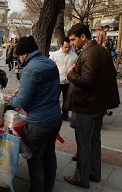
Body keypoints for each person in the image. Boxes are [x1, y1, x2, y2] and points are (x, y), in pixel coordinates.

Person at [63, 23, 120, 188]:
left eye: (73, 40)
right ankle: (94, 173)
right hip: (98, 105)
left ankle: (81, 177)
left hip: (87, 106)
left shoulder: (89, 53)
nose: (72, 43)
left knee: (84, 143)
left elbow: (86, 81)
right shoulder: (101, 50)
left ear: (83, 37)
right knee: (94, 141)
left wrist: (71, 73)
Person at [4, 36, 62, 192]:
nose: (19, 60)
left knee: (35, 160)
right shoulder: (50, 63)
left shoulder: (29, 70)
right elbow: (45, 89)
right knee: (49, 154)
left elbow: (22, 103)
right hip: (55, 117)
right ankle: (48, 188)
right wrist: (22, 91)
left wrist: (11, 99)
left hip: (39, 123)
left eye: (19, 57)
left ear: (24, 54)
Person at [49, 37, 78, 121]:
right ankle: (54, 114)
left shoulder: (74, 56)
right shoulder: (54, 55)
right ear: (61, 45)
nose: (67, 48)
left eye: (69, 47)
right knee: (54, 98)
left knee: (67, 99)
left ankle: (65, 114)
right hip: (57, 81)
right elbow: (49, 67)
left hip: (68, 82)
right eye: (65, 47)